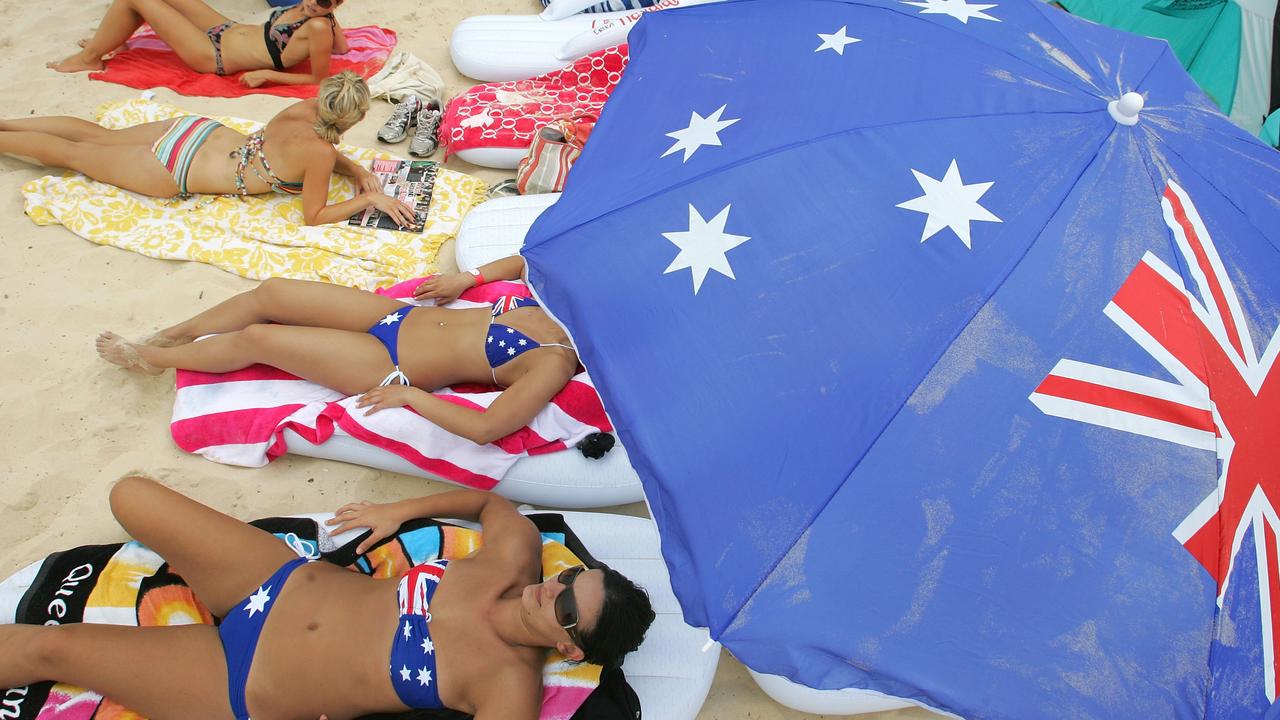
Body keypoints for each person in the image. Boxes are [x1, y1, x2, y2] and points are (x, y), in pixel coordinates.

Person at [0, 476, 655, 719]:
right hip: (273, 583)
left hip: (245, 681)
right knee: (131, 495)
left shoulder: (507, 687)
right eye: (570, 577)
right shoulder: (512, 561)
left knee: (51, 646)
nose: (554, 588)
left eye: (568, 606)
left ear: (569, 645)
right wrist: (404, 510)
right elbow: (493, 502)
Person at [96, 255, 578, 444]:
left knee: (259, 340)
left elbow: (487, 427)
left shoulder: (553, 362)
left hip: (390, 365)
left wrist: (413, 399)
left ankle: (151, 360)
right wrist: (467, 279)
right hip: (396, 316)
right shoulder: (561, 303)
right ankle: (175, 334)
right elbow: (526, 259)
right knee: (273, 293)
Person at [0, 72, 416, 227]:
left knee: (95, 136)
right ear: (356, 120)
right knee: (75, 155)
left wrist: (354, 169)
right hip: (172, 167)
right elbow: (314, 216)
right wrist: (371, 197)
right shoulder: (321, 153)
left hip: (197, 133)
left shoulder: (303, 109)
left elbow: (310, 147)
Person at [49, 0, 350, 88]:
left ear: (336, 4)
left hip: (214, 56)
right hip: (227, 30)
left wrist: (268, 75)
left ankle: (89, 57)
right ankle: (113, 38)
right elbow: (343, 49)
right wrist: (331, 15)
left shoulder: (318, 25)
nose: (312, 2)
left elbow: (318, 79)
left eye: (323, 1)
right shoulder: (318, 14)